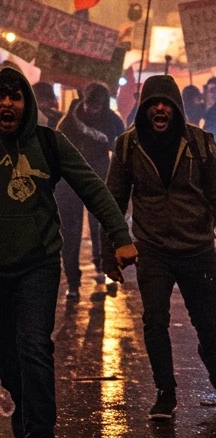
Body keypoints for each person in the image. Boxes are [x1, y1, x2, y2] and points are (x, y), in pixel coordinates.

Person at [0, 66, 135, 438]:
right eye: (0, 95)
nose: (7, 103)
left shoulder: (48, 142)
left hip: (37, 264)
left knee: (35, 346)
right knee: (7, 356)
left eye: (15, 95)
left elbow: (93, 186)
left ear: (26, 103)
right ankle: (23, 404)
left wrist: (119, 234)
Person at [104, 75, 216, 419]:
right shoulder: (127, 145)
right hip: (153, 248)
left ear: (177, 109)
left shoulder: (201, 143)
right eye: (153, 104)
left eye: (167, 104)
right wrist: (109, 250)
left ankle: (212, 354)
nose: (160, 109)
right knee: (154, 320)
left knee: (207, 320)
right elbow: (112, 199)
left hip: (197, 247)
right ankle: (165, 391)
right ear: (145, 109)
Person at [57, 82, 125, 298]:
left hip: (99, 183)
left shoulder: (112, 121)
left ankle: (105, 270)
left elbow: (121, 148)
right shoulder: (69, 120)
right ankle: (73, 283)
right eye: (88, 105)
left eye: (95, 107)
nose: (90, 110)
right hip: (70, 185)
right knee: (71, 234)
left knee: (102, 231)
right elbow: (57, 149)